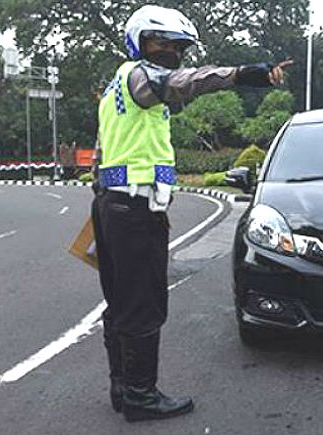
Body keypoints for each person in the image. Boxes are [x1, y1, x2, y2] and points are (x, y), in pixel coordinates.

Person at [91, 5, 291, 423]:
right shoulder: (141, 78)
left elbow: (102, 156)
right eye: (163, 43)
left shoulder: (115, 88)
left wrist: (108, 207)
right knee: (143, 303)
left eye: (178, 47)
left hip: (116, 205)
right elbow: (188, 82)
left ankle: (122, 388)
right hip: (132, 209)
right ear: (141, 40)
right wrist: (243, 74)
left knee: (122, 301)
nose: (172, 53)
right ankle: (141, 396)